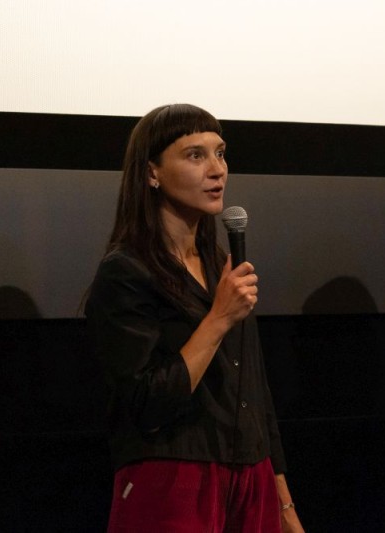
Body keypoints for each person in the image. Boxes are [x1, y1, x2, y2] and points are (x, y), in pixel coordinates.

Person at [85, 104, 303, 532]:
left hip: (250, 475)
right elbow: (146, 402)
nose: (217, 169)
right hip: (174, 477)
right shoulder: (127, 271)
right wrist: (218, 318)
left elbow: (254, 389)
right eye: (195, 155)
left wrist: (284, 501)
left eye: (220, 153)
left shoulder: (221, 262)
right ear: (152, 173)